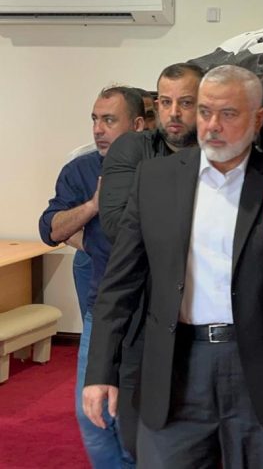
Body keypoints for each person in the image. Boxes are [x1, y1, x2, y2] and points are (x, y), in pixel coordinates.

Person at [82, 65, 263, 468]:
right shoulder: (156, 179)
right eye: (204, 112)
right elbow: (120, 282)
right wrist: (100, 371)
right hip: (176, 367)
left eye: (228, 114)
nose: (212, 125)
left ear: (258, 119)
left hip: (261, 370)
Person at [99, 62, 204, 458]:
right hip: (143, 312)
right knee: (136, 437)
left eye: (186, 103)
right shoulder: (133, 148)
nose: (174, 113)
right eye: (165, 102)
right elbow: (116, 225)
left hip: (205, 319)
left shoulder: (221, 154)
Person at [39, 86, 145, 468]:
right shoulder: (80, 170)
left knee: (146, 411)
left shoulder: (162, 166)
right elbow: (50, 229)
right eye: (95, 119)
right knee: (93, 413)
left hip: (156, 310)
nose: (98, 129)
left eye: (109, 120)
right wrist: (93, 207)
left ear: (137, 125)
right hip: (102, 306)